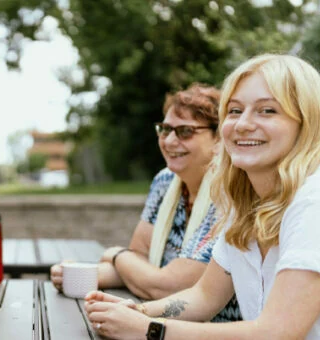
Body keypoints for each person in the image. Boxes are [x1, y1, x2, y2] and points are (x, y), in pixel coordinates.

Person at [85, 54, 320, 339]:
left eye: (267, 111)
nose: (242, 124)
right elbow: (204, 296)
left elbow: (277, 332)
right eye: (235, 110)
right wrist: (138, 312)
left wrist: (148, 330)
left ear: (306, 124)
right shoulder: (245, 202)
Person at [51, 84, 240, 321]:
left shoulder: (231, 193)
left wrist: (115, 253)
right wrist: (88, 275)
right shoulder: (165, 182)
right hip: (163, 321)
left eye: (185, 131)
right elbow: (139, 261)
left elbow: (169, 286)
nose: (170, 141)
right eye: (165, 129)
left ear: (218, 139)